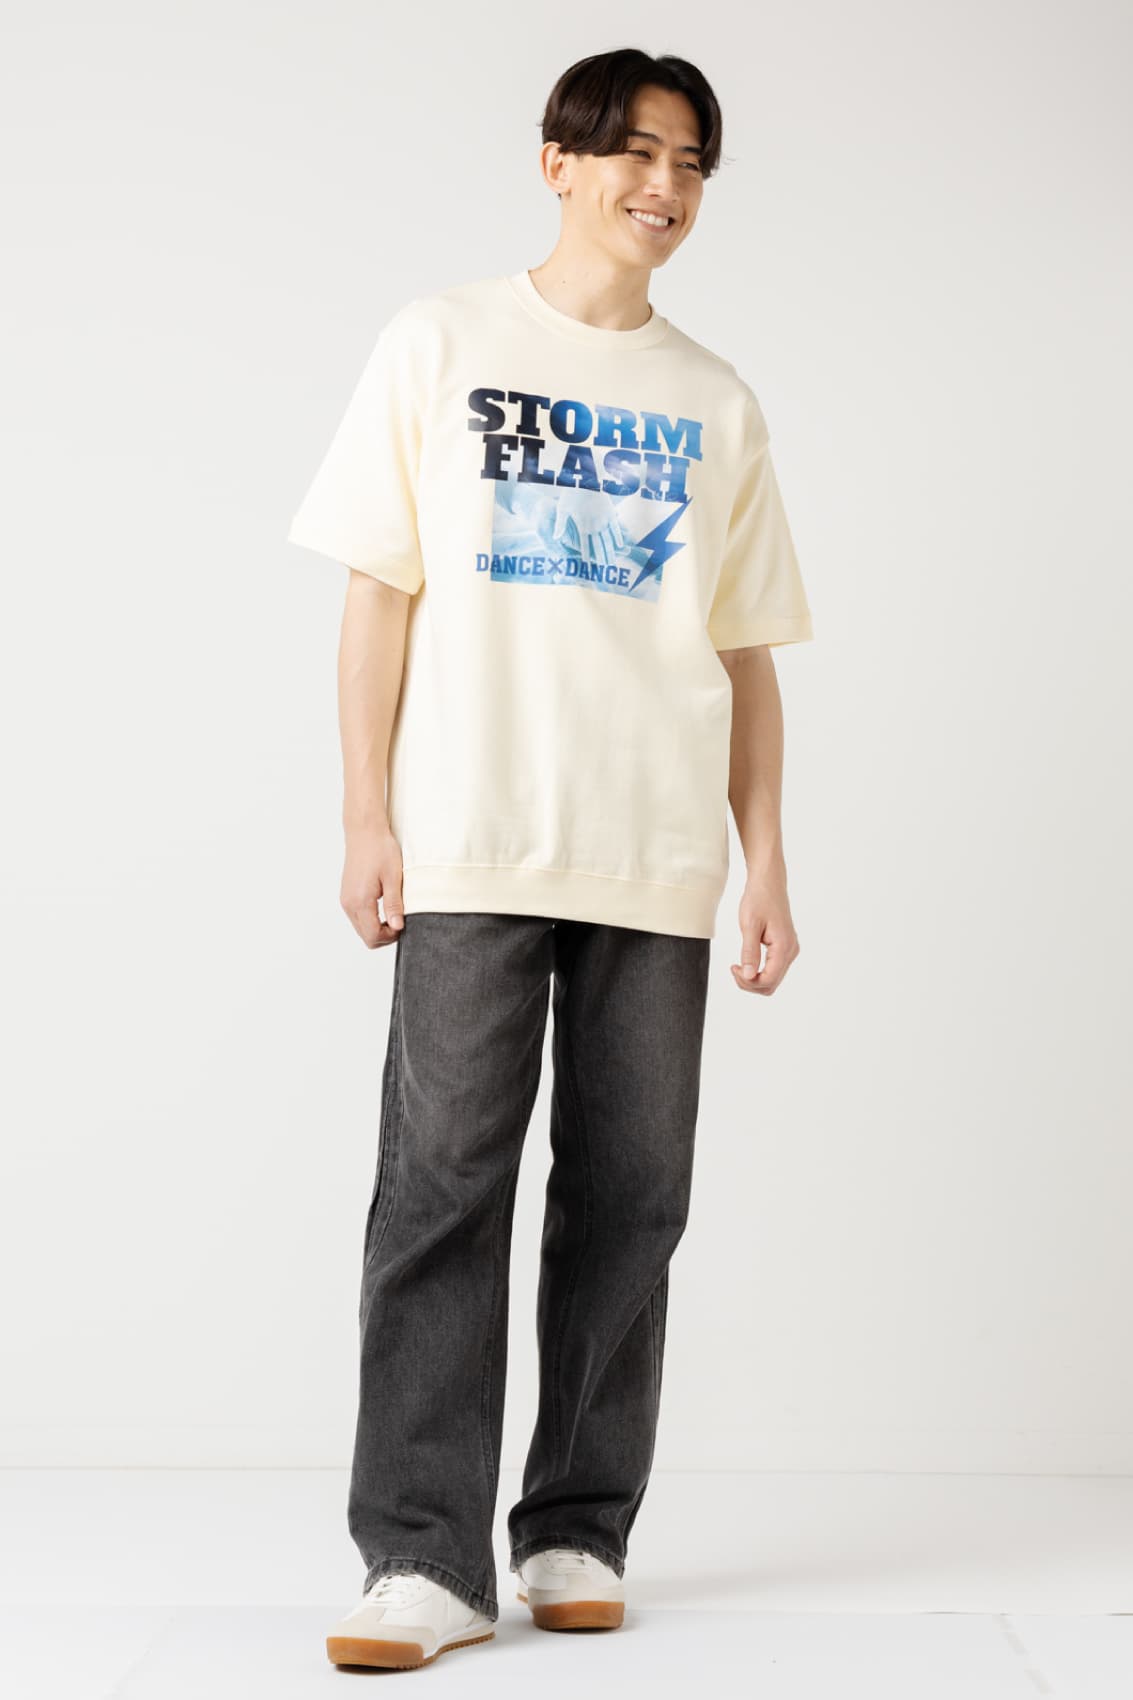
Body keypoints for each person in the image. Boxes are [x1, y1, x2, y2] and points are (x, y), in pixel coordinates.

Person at [287, 45, 814, 1673]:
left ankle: (577, 1528)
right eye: (636, 152)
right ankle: (421, 1559)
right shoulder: (438, 342)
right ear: (558, 162)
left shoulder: (714, 398)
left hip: (652, 849)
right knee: (440, 1190)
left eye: (691, 162)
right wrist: (366, 814)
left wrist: (765, 861)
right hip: (469, 835)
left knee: (631, 1199)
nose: (664, 187)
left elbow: (744, 655)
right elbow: (377, 593)